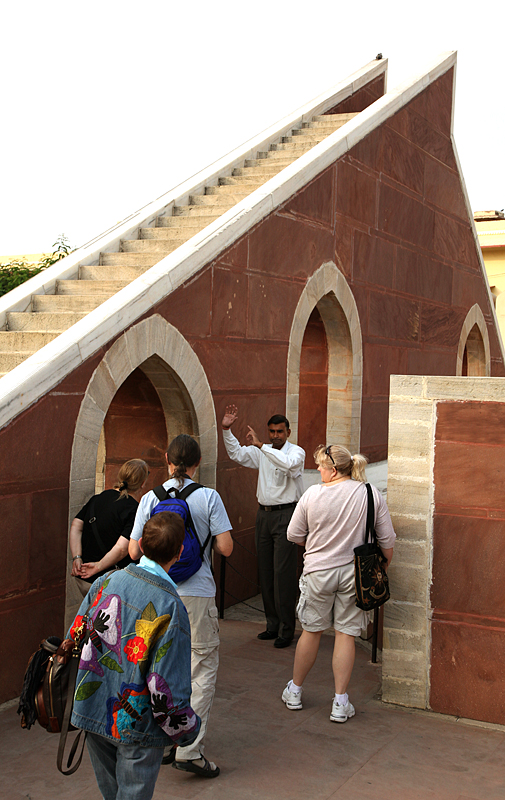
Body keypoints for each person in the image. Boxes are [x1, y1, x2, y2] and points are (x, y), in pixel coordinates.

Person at [69, 511, 201, 800]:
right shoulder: (170, 606)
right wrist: (188, 730)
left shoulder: (106, 581)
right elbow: (164, 688)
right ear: (179, 553)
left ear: (140, 544)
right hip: (136, 726)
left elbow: (74, 638)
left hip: (92, 707)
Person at [129, 434, 233, 778]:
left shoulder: (149, 498)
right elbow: (227, 547)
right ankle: (189, 749)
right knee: (200, 670)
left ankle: (161, 741)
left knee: (157, 669)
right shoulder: (209, 496)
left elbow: (134, 552)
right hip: (197, 594)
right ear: (197, 463)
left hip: (156, 594)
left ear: (167, 459)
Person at [281, 444, 395, 722]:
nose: (318, 469)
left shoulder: (312, 495)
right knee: (345, 634)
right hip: (355, 574)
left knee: (311, 630)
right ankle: (340, 702)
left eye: (321, 465)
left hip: (318, 571)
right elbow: (387, 541)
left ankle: (295, 691)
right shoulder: (369, 493)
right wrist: (383, 566)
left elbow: (294, 534)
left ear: (333, 470)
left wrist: (317, 545)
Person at [221, 404, 305, 648]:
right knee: (265, 571)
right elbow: (236, 453)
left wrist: (261, 447)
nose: (275, 436)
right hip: (263, 515)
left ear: (288, 432)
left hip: (287, 515)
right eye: (271, 432)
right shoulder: (263, 451)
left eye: (280, 431)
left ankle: (287, 629)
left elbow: (288, 465)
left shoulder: (296, 452)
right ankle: (272, 625)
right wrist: (227, 429)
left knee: (283, 574)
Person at [70, 459, 149, 596]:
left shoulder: (98, 498)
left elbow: (76, 525)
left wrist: (77, 557)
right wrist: (97, 567)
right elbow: (122, 548)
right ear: (142, 484)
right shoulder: (134, 510)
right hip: (110, 582)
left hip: (83, 577)